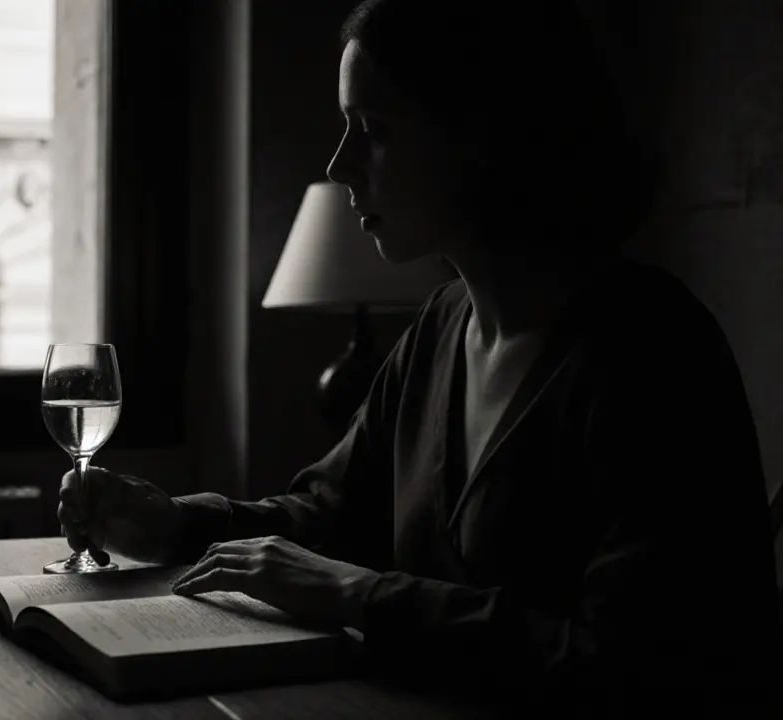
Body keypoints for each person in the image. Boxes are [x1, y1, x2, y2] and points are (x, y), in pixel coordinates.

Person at [58, 0, 782, 714]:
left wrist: (355, 593)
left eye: (373, 131)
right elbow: (331, 513)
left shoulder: (650, 351)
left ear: (486, 136)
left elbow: (635, 665)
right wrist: (174, 524)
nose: (341, 167)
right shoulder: (441, 328)